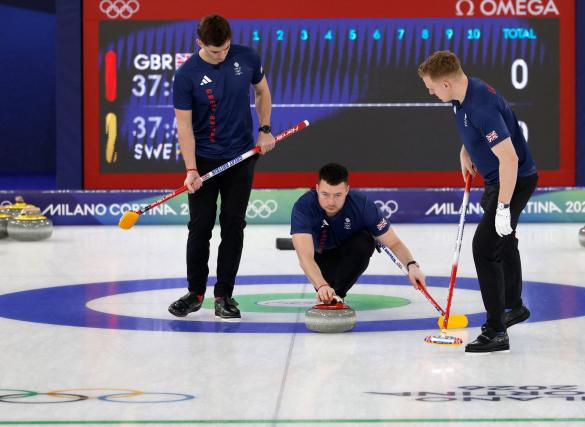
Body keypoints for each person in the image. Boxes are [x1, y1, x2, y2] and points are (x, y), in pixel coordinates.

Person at [418, 50, 538, 353]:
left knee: (484, 249)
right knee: (504, 242)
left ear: (446, 84)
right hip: (498, 178)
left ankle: (496, 331)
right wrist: (466, 149)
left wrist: (503, 207)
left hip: (513, 180)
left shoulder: (481, 105)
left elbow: (509, 159)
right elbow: (476, 128)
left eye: (430, 85)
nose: (429, 91)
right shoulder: (464, 94)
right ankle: (513, 306)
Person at [168, 14, 276, 320]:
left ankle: (224, 295)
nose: (222, 55)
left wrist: (265, 129)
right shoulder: (187, 75)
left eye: (226, 48)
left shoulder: (247, 57)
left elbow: (262, 92)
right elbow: (184, 127)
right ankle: (195, 293)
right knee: (200, 227)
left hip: (241, 157)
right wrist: (191, 170)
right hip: (203, 161)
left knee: (233, 225)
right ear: (199, 43)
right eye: (215, 51)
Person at [290, 163, 426, 304]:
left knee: (365, 241)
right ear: (317, 189)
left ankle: (338, 297)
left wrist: (412, 265)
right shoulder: (303, 207)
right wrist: (322, 285)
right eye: (325, 194)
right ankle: (328, 291)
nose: (331, 201)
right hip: (320, 256)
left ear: (347, 190)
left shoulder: (363, 206)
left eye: (338, 195)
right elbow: (305, 257)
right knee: (325, 282)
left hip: (348, 253)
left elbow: (394, 242)